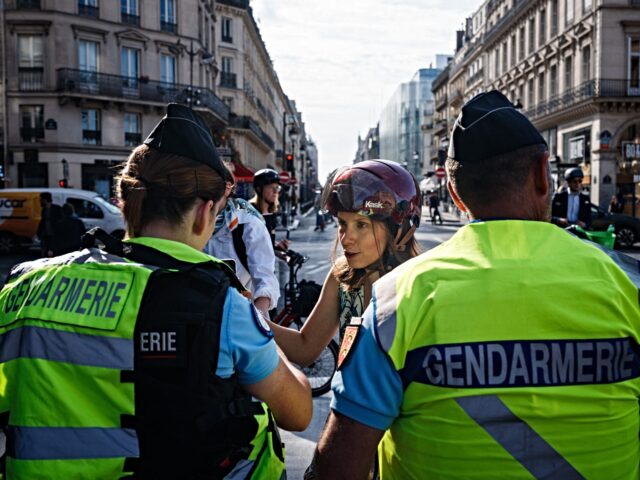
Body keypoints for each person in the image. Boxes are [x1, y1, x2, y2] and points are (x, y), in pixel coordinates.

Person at [312, 91, 640, 479]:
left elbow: (336, 468)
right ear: (542, 174)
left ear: (454, 193)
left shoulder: (396, 302)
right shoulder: (624, 284)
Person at [0, 104, 311, 479]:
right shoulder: (220, 305)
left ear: (124, 199)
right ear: (204, 212)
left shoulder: (22, 286)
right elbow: (299, 412)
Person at [270, 159, 421, 368]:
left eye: (361, 225)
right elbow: (305, 349)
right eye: (342, 223)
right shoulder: (344, 274)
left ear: (399, 230)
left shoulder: (421, 283)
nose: (346, 238)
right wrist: (246, 316)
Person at [205, 169, 280, 320]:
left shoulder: (248, 221)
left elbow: (265, 276)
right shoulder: (190, 217)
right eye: (272, 187)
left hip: (238, 316)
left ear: (227, 188)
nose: (276, 192)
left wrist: (257, 316)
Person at [37, 191, 63, 257]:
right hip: (46, 235)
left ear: (45, 200)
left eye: (41, 199)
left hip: (54, 234)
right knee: (45, 251)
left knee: (54, 252)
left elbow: (61, 221)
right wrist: (39, 232)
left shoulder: (57, 209)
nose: (40, 201)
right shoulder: (44, 210)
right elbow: (43, 221)